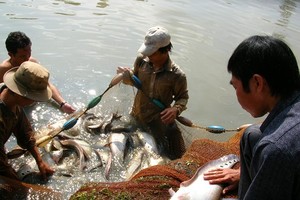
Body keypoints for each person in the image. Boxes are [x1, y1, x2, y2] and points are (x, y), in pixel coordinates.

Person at [214, 35, 300, 199]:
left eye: (236, 86)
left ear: (257, 83)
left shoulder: (275, 149)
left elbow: (279, 148)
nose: (236, 94)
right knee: (251, 134)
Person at [117, 26, 189, 160]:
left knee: (163, 156)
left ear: (166, 50)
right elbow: (134, 80)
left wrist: (175, 109)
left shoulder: (177, 75)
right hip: (136, 115)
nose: (148, 55)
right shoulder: (141, 61)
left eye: (152, 52)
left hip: (158, 124)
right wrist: (126, 76)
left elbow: (183, 98)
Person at [0, 61, 55, 181]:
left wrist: (40, 161)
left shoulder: (12, 101)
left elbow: (26, 135)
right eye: (34, 99)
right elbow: (1, 166)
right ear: (20, 95)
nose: (35, 102)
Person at [0, 31, 75, 114]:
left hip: (33, 100)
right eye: (22, 56)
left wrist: (63, 103)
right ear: (11, 55)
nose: (27, 58)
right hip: (17, 106)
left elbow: (47, 85)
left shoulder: (32, 62)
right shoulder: (3, 69)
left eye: (29, 53)